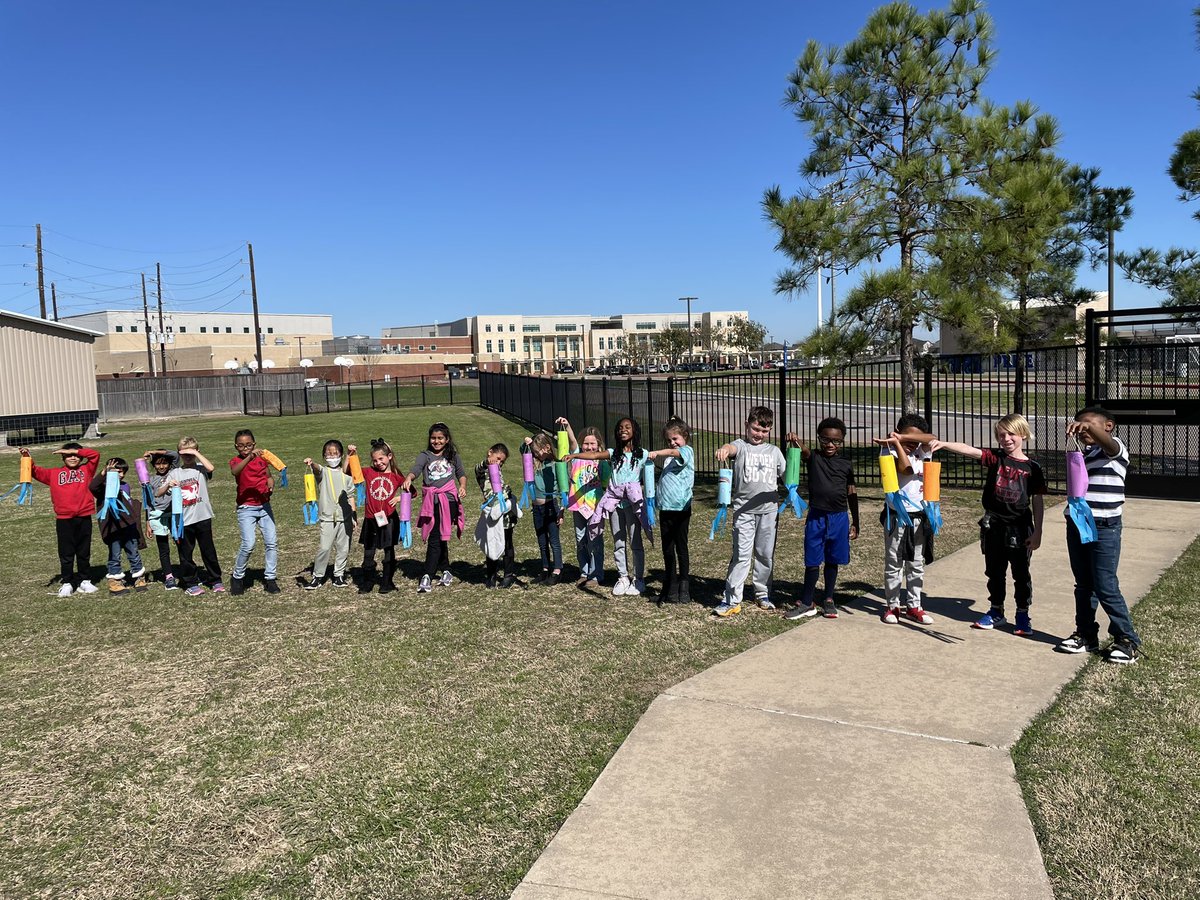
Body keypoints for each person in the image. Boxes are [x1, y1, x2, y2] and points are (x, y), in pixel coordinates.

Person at [931, 414, 1046, 634]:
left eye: (1011, 433)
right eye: (1001, 435)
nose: (1006, 439)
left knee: (1021, 573)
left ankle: (1023, 614)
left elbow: (1037, 500)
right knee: (995, 572)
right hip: (993, 526)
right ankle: (996, 611)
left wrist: (1038, 531)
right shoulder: (995, 458)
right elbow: (968, 449)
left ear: (1023, 434)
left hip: (1020, 528)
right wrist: (944, 444)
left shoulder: (1033, 467)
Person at [1055, 406, 1140, 664]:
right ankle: (1086, 635)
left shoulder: (1116, 450)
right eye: (1079, 424)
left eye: (1088, 424)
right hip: (1078, 525)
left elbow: (1109, 445)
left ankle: (1127, 639)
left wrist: (1089, 428)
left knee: (1105, 584)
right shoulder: (1084, 453)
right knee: (1084, 584)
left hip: (1105, 526)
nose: (1082, 429)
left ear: (1108, 426)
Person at [568, 417, 653, 597]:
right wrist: (575, 455)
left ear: (634, 431)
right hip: (615, 505)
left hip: (632, 506)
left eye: (627, 427)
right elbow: (594, 455)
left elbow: (654, 464)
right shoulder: (613, 453)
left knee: (635, 542)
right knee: (618, 542)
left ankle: (638, 579)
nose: (623, 430)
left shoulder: (642, 454)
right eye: (620, 427)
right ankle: (623, 577)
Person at [784, 417, 860, 620]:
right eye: (825, 440)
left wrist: (856, 522)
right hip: (816, 516)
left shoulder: (846, 464)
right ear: (819, 439)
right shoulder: (814, 457)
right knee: (812, 560)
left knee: (832, 560)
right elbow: (805, 451)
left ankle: (828, 598)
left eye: (836, 441)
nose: (830, 445)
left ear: (842, 441)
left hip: (839, 518)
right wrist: (796, 440)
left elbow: (852, 493)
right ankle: (807, 601)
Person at [714, 406, 787, 617]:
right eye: (755, 429)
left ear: (770, 431)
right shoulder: (741, 446)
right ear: (747, 426)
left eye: (764, 431)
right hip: (743, 512)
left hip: (769, 512)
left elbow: (787, 476)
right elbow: (731, 448)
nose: (759, 434)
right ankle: (731, 599)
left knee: (765, 554)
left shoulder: (774, 452)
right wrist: (724, 450)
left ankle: (762, 592)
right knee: (741, 555)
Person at [873, 415, 938, 625]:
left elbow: (932, 437)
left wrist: (904, 437)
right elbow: (905, 469)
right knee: (894, 563)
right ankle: (892, 606)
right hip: (898, 518)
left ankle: (914, 605)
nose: (911, 444)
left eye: (914, 440)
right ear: (896, 432)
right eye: (906, 438)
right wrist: (897, 443)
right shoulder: (889, 451)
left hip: (920, 517)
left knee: (916, 564)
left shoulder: (922, 451)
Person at [21, 441, 101, 597]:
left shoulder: (87, 470)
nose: (73, 458)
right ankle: (67, 582)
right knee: (66, 552)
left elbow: (94, 455)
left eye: (75, 455)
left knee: (84, 551)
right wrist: (27, 457)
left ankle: (85, 580)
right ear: (62, 457)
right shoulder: (53, 474)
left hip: (84, 516)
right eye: (68, 455)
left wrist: (75, 451)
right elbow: (34, 471)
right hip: (64, 519)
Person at [403, 422, 466, 593]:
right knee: (440, 535)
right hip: (431, 501)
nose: (436, 441)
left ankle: (427, 575)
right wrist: (409, 478)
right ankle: (446, 570)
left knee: (435, 537)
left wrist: (462, 486)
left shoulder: (453, 456)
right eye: (433, 438)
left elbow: (461, 473)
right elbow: (416, 468)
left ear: (446, 440)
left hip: (449, 499)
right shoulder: (425, 455)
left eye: (440, 438)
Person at [157, 437, 224, 597]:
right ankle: (191, 582)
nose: (187, 456)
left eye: (190, 453)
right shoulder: (175, 473)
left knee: (208, 551)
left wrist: (195, 453)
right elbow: (158, 493)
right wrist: (168, 485)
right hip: (183, 521)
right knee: (186, 553)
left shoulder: (201, 469)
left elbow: (211, 467)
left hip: (203, 517)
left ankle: (215, 579)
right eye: (184, 453)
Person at [648, 416, 695, 603]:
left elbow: (676, 453)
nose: (673, 443)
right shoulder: (668, 460)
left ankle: (684, 586)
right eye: (669, 440)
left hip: (681, 508)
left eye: (676, 438)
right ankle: (670, 588)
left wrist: (658, 452)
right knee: (667, 548)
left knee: (681, 547)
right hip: (666, 508)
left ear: (685, 437)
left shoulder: (687, 452)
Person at [228, 429, 279, 595]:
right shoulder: (236, 461)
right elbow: (235, 471)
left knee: (271, 542)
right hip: (246, 508)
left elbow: (268, 475)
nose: (245, 448)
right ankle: (237, 577)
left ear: (254, 444)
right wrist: (249, 457)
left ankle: (270, 578)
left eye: (249, 445)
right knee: (248, 544)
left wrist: (270, 484)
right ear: (236, 447)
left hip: (264, 506)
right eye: (241, 446)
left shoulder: (261, 460)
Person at [556, 417, 606, 589]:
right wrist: (567, 425)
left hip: (595, 506)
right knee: (581, 539)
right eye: (586, 444)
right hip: (578, 505)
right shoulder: (577, 457)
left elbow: (607, 481)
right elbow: (571, 441)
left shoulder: (601, 460)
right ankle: (584, 572)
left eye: (593, 444)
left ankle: (596, 574)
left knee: (595, 540)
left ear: (599, 446)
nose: (589, 447)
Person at [302, 439, 356, 589]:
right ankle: (318, 576)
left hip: (344, 518)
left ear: (341, 455)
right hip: (327, 518)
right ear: (324, 456)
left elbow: (351, 495)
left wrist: (353, 516)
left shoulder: (346, 475)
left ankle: (339, 575)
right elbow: (317, 468)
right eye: (329, 454)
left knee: (343, 548)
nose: (332, 457)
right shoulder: (323, 472)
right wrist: (311, 463)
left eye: (335, 454)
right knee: (324, 548)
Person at [354, 438, 406, 594]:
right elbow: (349, 471)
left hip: (389, 519)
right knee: (368, 551)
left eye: (381, 458)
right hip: (371, 519)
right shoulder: (369, 472)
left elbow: (413, 492)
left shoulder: (396, 476)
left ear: (389, 456)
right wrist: (351, 455)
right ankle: (367, 581)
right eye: (374, 460)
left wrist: (399, 498)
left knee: (389, 551)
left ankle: (387, 581)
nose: (378, 462)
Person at [89, 457, 147, 595]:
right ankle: (115, 581)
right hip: (112, 528)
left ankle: (139, 577)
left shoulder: (125, 486)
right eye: (117, 472)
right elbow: (92, 487)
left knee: (133, 552)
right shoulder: (103, 488)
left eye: (122, 472)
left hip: (128, 526)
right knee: (115, 554)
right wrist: (104, 472)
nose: (120, 475)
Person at [474, 442, 519, 589]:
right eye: (498, 458)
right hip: (491, 514)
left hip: (505, 514)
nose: (499, 463)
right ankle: (491, 575)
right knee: (491, 542)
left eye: (502, 461)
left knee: (507, 543)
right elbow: (478, 469)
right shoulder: (484, 471)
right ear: (490, 452)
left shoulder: (498, 472)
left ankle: (508, 574)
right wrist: (487, 463)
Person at [522, 432, 564, 585]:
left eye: (537, 451)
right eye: (533, 451)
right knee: (541, 540)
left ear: (546, 447)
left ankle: (557, 570)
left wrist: (561, 512)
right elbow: (523, 451)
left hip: (551, 506)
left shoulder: (555, 464)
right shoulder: (533, 463)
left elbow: (561, 488)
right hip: (537, 508)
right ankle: (545, 569)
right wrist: (526, 444)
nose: (535, 454)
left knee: (554, 540)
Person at [142, 450, 179, 589]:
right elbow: (148, 503)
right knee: (163, 548)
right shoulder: (150, 480)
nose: (162, 466)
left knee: (182, 544)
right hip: (157, 515)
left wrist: (153, 452)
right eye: (158, 464)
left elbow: (175, 454)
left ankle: (187, 572)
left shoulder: (174, 473)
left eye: (165, 463)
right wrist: (147, 523)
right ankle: (169, 576)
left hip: (174, 514)